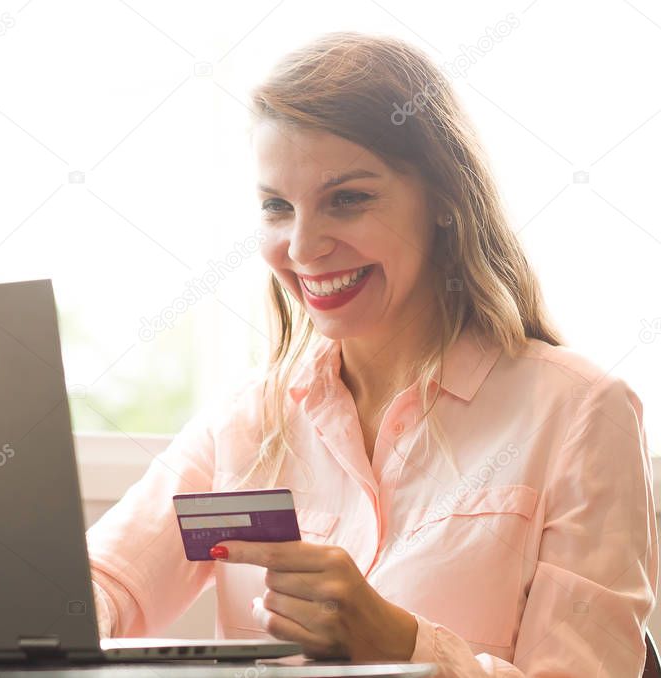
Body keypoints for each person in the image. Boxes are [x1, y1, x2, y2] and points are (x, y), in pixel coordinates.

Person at [84, 31, 658, 676]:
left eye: (349, 199)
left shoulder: (581, 412)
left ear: (443, 199)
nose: (302, 249)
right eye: (277, 206)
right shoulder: (246, 419)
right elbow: (103, 583)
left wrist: (404, 647)